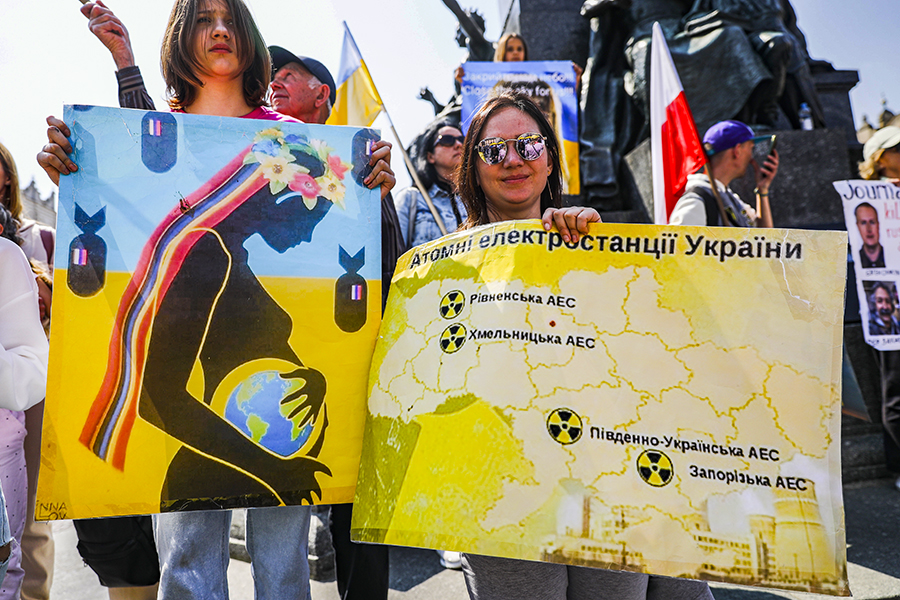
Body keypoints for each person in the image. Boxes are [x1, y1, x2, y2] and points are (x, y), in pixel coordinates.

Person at [39, 1, 394, 599]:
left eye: (230, 18)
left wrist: (374, 195)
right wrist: (83, 177)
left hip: (281, 431)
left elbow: (336, 311)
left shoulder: (297, 146)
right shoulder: (202, 239)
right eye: (203, 19)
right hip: (208, 448)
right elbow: (160, 393)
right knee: (192, 573)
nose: (221, 30)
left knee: (284, 577)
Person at [454, 90, 712, 600]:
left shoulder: (596, 247)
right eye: (493, 149)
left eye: (529, 145)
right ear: (473, 166)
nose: (513, 160)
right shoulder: (447, 267)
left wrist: (603, 258)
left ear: (551, 160)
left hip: (608, 481)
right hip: (504, 493)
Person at [0, 144, 55, 600]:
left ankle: (33, 595)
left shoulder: (37, 236)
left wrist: (47, 285)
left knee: (30, 512)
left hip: (34, 379)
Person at [858, 125, 900, 492]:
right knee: (895, 388)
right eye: (896, 149)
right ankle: (898, 465)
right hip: (887, 307)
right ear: (879, 158)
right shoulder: (867, 200)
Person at [669, 120, 779, 227]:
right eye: (751, 149)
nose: (751, 157)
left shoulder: (729, 197)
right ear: (737, 151)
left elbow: (763, 239)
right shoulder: (697, 201)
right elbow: (677, 244)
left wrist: (762, 190)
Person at [395, 120, 466, 249]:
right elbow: (395, 252)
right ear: (430, 156)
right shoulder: (412, 198)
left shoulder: (479, 199)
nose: (458, 144)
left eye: (462, 139)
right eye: (447, 140)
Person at [855, 203, 886, 268]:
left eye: (872, 222)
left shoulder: (893, 257)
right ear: (857, 226)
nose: (868, 229)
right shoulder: (853, 261)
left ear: (878, 225)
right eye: (863, 223)